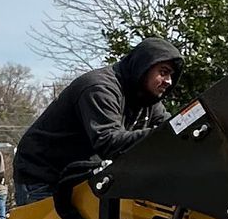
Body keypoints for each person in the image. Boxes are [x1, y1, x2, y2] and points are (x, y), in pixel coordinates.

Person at [13, 38, 182, 205]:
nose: (169, 81)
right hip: (44, 177)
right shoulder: (99, 88)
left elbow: (172, 129)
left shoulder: (148, 100)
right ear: (143, 67)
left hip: (79, 178)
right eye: (163, 72)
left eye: (171, 75)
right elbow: (109, 142)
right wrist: (163, 133)